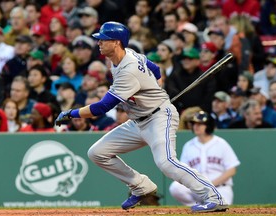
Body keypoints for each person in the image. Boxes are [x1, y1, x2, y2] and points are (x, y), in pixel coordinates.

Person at [55, 21, 228, 213]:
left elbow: (102, 107)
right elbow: (155, 69)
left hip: (159, 117)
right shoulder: (126, 56)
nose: (99, 43)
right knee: (97, 153)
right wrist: (154, 89)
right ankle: (140, 186)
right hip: (138, 121)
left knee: (166, 163)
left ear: (117, 42)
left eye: (103, 40)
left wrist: (71, 113)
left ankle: (213, 196)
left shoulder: (128, 69)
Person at [169, 110, 240, 206]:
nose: (196, 126)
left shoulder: (221, 143)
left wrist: (212, 185)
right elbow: (184, 171)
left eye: (200, 124)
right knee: (175, 188)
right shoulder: (189, 145)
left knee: (222, 207)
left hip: (220, 189)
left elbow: (232, 170)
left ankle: (210, 206)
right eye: (194, 124)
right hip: (198, 190)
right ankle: (197, 206)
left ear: (208, 126)